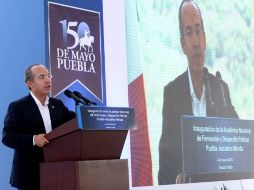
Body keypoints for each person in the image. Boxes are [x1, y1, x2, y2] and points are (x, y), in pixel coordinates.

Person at [158, 0, 238, 185]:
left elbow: (239, 144)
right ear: (183, 44)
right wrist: (175, 180)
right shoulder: (172, 94)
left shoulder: (221, 89)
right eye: (189, 33)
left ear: (205, 38)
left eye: (198, 31)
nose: (196, 41)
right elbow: (166, 164)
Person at [2, 64, 76, 190]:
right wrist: (33, 139)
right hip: (29, 174)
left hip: (56, 171)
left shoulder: (57, 104)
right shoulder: (18, 107)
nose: (48, 80)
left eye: (48, 76)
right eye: (42, 77)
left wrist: (89, 115)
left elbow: (74, 121)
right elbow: (7, 137)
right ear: (30, 84)